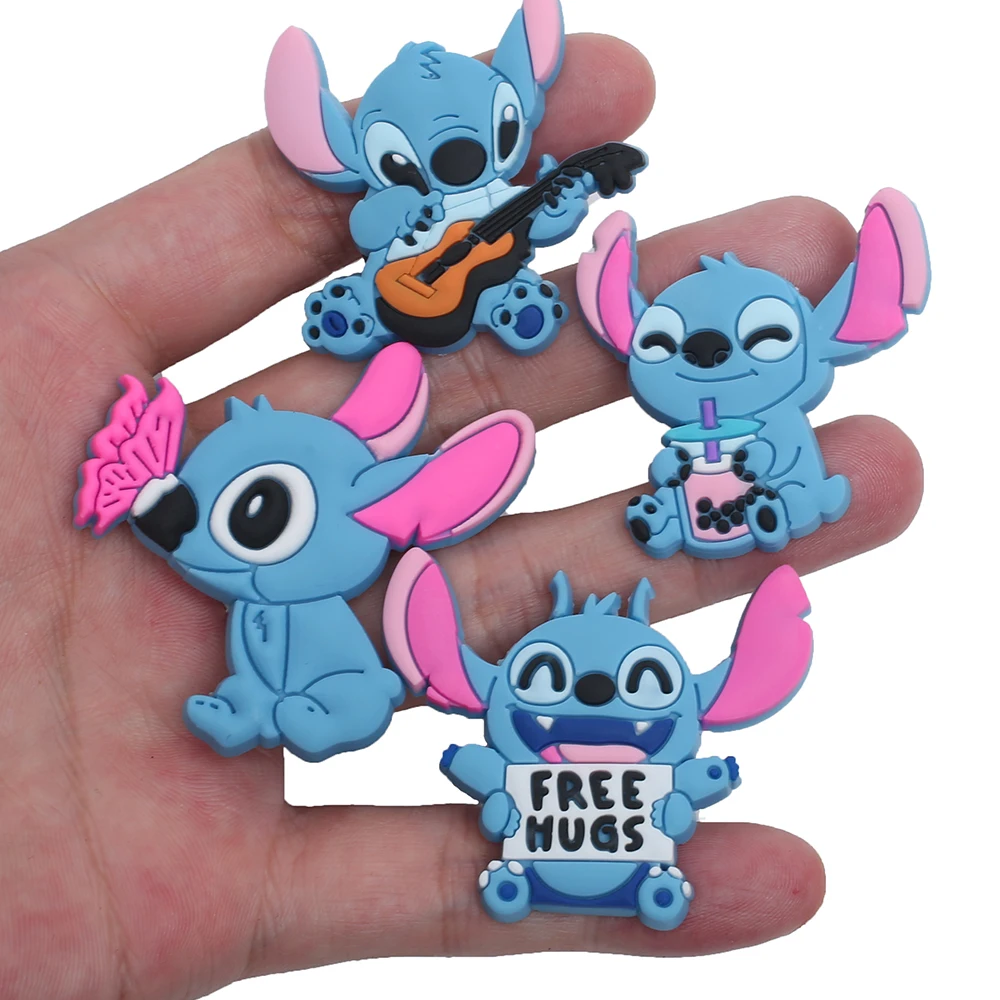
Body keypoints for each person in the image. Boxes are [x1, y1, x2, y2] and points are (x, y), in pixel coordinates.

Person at [0, 32, 922, 999]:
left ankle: (306, 690)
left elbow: (603, 760)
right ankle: (270, 689)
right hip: (404, 315)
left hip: (634, 460)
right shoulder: (384, 225)